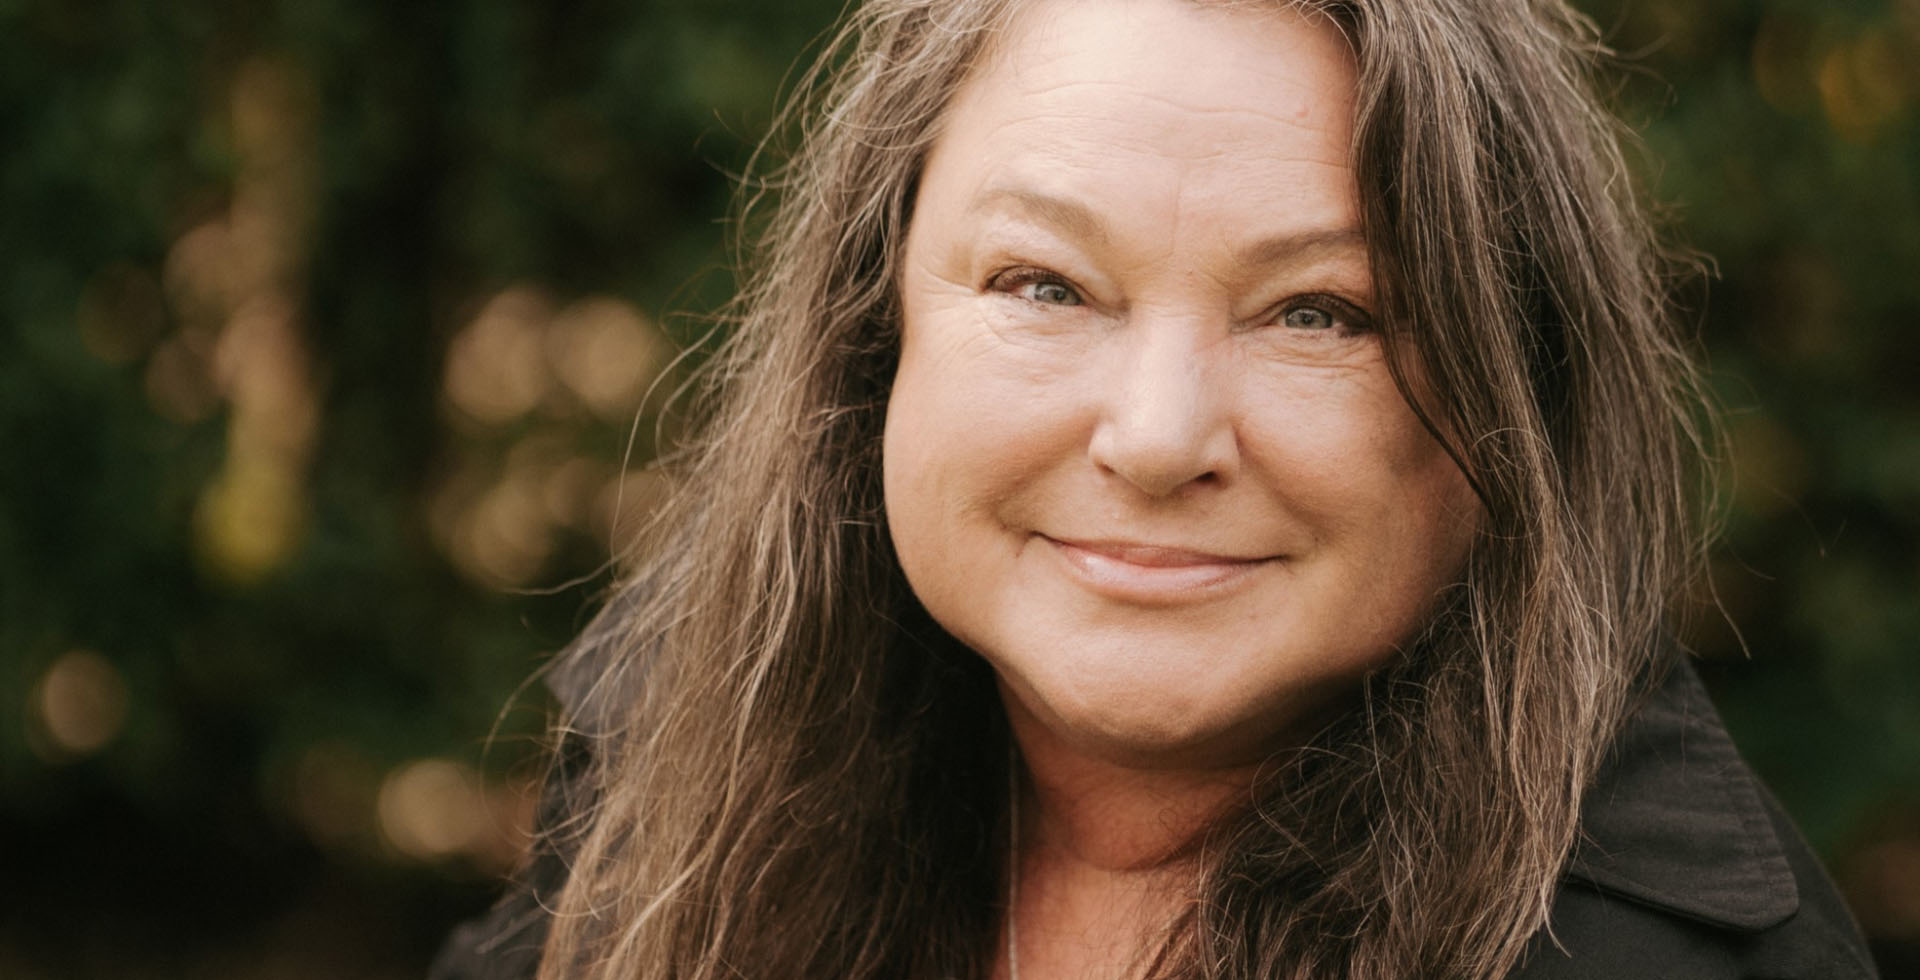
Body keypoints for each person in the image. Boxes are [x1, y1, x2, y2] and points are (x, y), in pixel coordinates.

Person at [432, 0, 1879, 977]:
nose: (1156, 433)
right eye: (1045, 284)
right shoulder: (671, 765)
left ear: (1520, 398)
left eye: (1321, 312)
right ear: (877, 337)